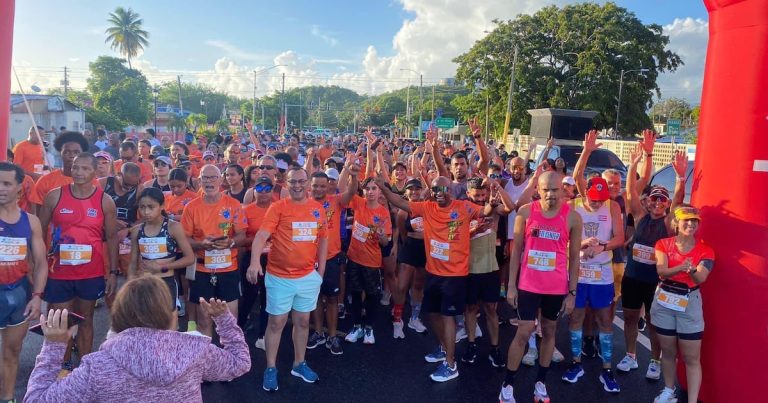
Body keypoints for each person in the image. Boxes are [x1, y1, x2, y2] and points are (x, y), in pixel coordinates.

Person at [26, 277, 250, 402]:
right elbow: (240, 363)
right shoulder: (196, 351)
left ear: (120, 314)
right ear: (167, 313)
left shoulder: (98, 366)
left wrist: (54, 346)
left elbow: (37, 399)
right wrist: (223, 320)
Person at [377, 174, 487, 383]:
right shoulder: (427, 207)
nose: (439, 193)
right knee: (433, 315)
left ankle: (451, 364)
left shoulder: (463, 207)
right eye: (435, 189)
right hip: (434, 273)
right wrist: (384, 188)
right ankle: (445, 347)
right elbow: (400, 202)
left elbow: (487, 211)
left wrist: (494, 197)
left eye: (443, 189)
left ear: (452, 191)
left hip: (454, 276)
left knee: (447, 317)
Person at [499, 171, 582, 403]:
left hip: (555, 288)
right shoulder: (525, 212)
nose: (550, 194)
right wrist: (511, 286)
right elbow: (516, 252)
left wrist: (572, 292)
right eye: (545, 190)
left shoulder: (573, 217)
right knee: (524, 331)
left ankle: (541, 383)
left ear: (563, 190)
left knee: (549, 331)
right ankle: (507, 385)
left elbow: (575, 258)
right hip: (528, 285)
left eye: (555, 190)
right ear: (538, 190)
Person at [246, 168, 327, 392]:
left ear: (308, 182)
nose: (298, 185)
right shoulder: (278, 207)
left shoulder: (318, 209)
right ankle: (270, 368)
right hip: (280, 277)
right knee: (276, 323)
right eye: (293, 182)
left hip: (307, 277)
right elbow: (261, 236)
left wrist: (320, 274)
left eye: (302, 181)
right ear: (286, 184)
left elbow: (323, 240)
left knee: (302, 322)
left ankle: (299, 364)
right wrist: (254, 262)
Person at [38, 153, 119, 375]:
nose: (79, 172)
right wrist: (38, 267)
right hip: (58, 273)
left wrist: (112, 272)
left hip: (90, 273)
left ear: (95, 172)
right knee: (59, 322)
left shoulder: (105, 200)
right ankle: (61, 367)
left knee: (86, 320)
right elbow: (39, 232)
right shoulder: (54, 196)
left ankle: (84, 368)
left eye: (85, 168)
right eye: (76, 167)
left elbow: (112, 237)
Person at [617, 146, 686, 379]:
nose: (657, 203)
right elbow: (630, 193)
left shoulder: (667, 224)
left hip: (655, 282)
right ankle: (630, 355)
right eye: (654, 198)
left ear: (666, 204)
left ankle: (655, 361)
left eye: (662, 200)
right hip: (633, 277)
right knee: (629, 317)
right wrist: (634, 164)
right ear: (648, 202)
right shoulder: (639, 216)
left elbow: (678, 201)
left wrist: (680, 177)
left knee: (654, 323)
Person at [561, 177, 624, 393]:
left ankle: (607, 368)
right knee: (576, 317)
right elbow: (563, 239)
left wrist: (602, 247)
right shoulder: (572, 206)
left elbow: (620, 238)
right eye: (594, 199)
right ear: (584, 191)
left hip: (602, 274)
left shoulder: (613, 206)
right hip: (577, 273)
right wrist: (583, 244)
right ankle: (576, 362)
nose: (597, 203)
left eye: (601, 199)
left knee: (605, 320)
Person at [651, 206, 713, 403]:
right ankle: (669, 391)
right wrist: (681, 267)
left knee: (691, 357)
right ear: (676, 223)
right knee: (668, 351)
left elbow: (701, 277)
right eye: (686, 220)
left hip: (689, 303)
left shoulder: (706, 250)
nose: (691, 224)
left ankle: (692, 400)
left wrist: (692, 269)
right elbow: (661, 271)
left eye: (694, 221)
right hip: (664, 299)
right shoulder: (663, 244)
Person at [0, 162, 48, 402]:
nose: (0, 188)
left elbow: (41, 263)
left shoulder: (30, 222)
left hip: (18, 293)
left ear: (20, 188)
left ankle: (7, 398)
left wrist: (37, 296)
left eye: (6, 183)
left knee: (12, 351)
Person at [181, 165, 246, 337]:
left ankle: (230, 359)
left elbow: (242, 235)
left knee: (230, 320)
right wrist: (201, 244)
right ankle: (206, 360)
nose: (209, 182)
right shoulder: (191, 207)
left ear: (221, 179)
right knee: (204, 319)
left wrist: (230, 242)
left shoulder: (233, 205)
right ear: (199, 180)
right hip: (202, 270)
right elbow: (184, 239)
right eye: (205, 178)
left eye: (213, 178)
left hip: (228, 269)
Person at [460, 176, 514, 368]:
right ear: (468, 194)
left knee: (491, 310)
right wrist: (474, 231)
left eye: (483, 195)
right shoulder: (462, 208)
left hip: (491, 267)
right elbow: (455, 237)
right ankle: (472, 343)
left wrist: (498, 186)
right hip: (471, 269)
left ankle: (495, 347)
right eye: (476, 195)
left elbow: (510, 208)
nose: (481, 198)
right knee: (471, 309)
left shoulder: (494, 207)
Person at [307, 169, 357, 355]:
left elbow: (351, 192)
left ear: (328, 185)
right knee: (315, 299)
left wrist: (353, 175)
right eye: (315, 186)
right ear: (309, 187)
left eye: (322, 185)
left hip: (331, 258)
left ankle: (333, 335)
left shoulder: (335, 200)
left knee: (332, 299)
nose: (319, 189)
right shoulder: (304, 203)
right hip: (309, 261)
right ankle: (319, 332)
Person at [128, 188, 195, 312]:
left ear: (162, 206)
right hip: (145, 283)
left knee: (168, 327)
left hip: (166, 282)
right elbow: (133, 262)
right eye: (142, 207)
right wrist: (130, 285)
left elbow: (189, 258)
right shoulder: (137, 231)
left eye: (151, 207)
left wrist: (163, 267)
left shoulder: (173, 227)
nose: (146, 212)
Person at [343, 177, 392, 345]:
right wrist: (353, 175)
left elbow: (386, 242)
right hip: (354, 258)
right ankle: (357, 326)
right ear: (363, 191)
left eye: (374, 188)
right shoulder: (358, 203)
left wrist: (382, 236)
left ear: (379, 192)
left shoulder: (384, 212)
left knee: (372, 296)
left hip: (372, 261)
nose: (370, 192)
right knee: (356, 293)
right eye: (367, 189)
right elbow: (347, 189)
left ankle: (369, 328)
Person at [393, 179, 428, 335]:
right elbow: (403, 234)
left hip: (424, 250)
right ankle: (397, 319)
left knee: (419, 285)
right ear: (406, 192)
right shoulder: (402, 212)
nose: (414, 192)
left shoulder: (427, 207)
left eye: (417, 189)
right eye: (411, 189)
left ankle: (414, 318)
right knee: (401, 286)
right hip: (409, 248)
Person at [28, 132, 89, 214]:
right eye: (66, 152)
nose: (71, 155)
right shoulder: (45, 181)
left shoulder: (91, 181)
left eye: (76, 152)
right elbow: (38, 214)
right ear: (60, 153)